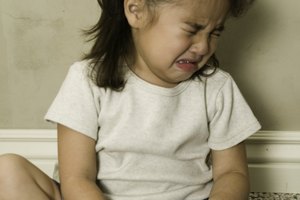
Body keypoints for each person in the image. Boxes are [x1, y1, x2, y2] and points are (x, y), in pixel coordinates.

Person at [0, 0, 261, 199]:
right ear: (136, 11)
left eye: (215, 33)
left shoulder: (216, 87)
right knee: (7, 170)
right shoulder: (87, 79)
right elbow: (77, 179)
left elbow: (232, 173)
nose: (203, 47)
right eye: (192, 29)